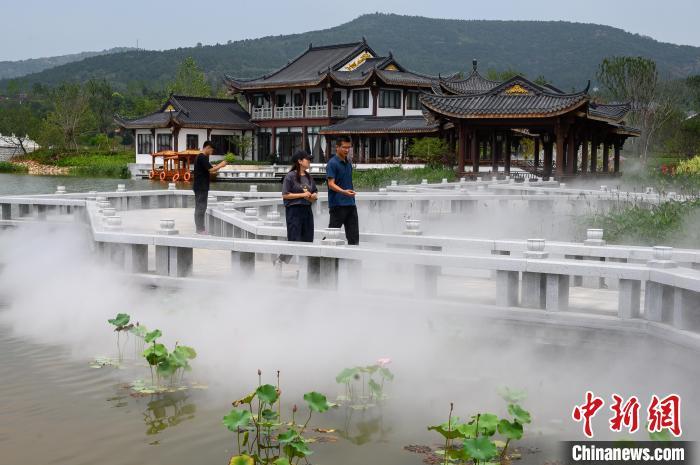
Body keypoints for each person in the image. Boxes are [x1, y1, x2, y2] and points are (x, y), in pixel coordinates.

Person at [274, 149, 318, 266]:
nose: (309, 161)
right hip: (294, 211)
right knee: (294, 239)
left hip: (307, 210)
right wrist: (303, 195)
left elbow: (314, 194)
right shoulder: (290, 176)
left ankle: (304, 268)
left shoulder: (309, 177)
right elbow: (285, 194)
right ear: (299, 161)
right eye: (307, 159)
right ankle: (280, 261)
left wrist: (312, 196)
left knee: (308, 239)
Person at [326, 135, 358, 245]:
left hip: (351, 204)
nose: (347, 150)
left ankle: (353, 262)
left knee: (354, 238)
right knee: (332, 236)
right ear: (337, 147)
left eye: (349, 147)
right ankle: (319, 258)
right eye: (344, 147)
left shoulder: (348, 163)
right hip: (337, 205)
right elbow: (331, 184)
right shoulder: (332, 163)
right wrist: (344, 192)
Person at [192, 140, 227, 234]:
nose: (212, 153)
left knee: (200, 207)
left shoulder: (201, 157)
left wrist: (219, 167)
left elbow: (210, 170)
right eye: (211, 150)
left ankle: (200, 228)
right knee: (200, 207)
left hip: (200, 186)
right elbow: (211, 170)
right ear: (207, 147)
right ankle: (200, 229)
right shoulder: (202, 157)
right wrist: (221, 164)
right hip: (201, 187)